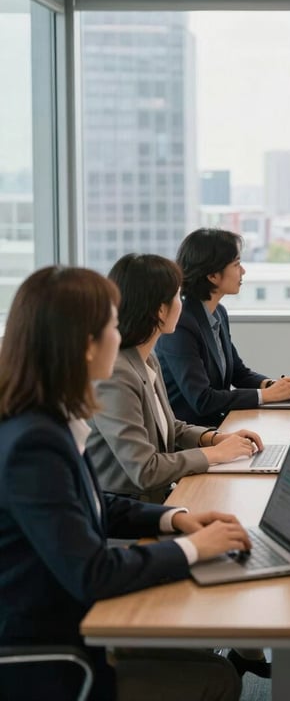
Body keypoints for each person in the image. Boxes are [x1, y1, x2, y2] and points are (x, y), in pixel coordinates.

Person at [0, 266, 252, 701]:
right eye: (112, 327)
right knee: (215, 677)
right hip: (51, 652)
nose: (120, 338)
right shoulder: (33, 444)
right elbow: (92, 574)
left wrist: (178, 519)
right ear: (84, 346)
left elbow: (99, 504)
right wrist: (194, 550)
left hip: (74, 617)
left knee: (205, 657)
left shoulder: (46, 420)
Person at [87, 254, 264, 504]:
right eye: (176, 296)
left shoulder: (145, 359)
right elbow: (145, 470)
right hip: (128, 511)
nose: (181, 303)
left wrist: (214, 438)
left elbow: (169, 426)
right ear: (160, 310)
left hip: (154, 498)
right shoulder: (116, 374)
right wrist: (214, 454)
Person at [156, 228, 290, 427]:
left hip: (219, 426)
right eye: (237, 265)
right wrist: (266, 395)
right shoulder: (181, 324)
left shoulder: (218, 312)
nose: (243, 271)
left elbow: (238, 372)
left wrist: (271, 385)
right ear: (213, 276)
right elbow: (202, 400)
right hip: (191, 437)